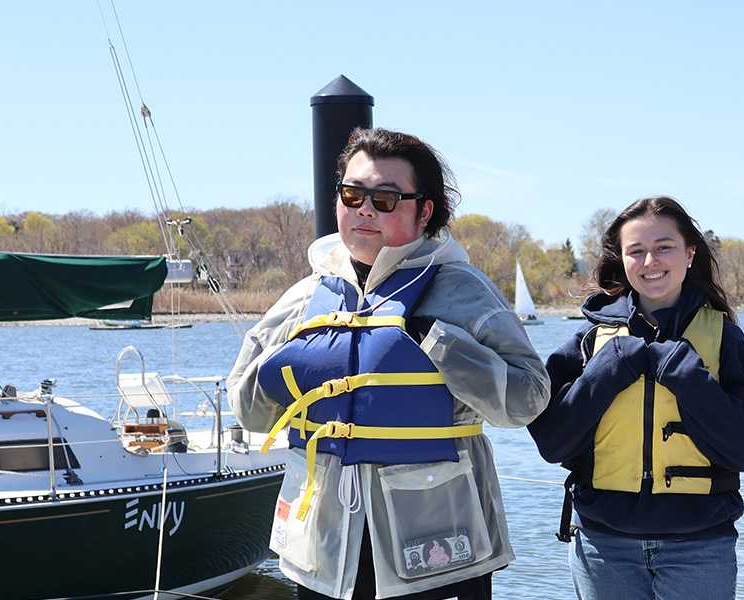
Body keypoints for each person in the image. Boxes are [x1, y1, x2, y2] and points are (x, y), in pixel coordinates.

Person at [227, 127, 550, 600]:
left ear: (424, 212)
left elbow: (530, 399)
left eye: (385, 198)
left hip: (437, 548)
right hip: (323, 547)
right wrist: (290, 361)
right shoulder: (304, 297)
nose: (364, 209)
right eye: (353, 193)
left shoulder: (463, 290)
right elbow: (247, 410)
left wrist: (439, 344)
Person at [527, 196, 744, 600]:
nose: (651, 262)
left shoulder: (725, 339)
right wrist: (609, 369)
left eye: (664, 247)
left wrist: (682, 373)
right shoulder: (591, 342)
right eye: (637, 251)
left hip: (700, 549)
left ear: (690, 252)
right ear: (622, 260)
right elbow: (553, 442)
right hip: (602, 547)